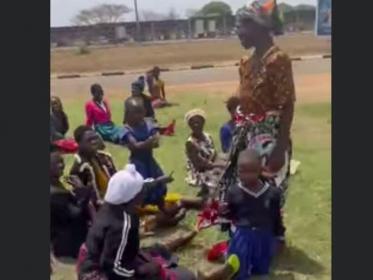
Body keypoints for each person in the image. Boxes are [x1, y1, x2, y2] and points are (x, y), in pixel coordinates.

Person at [220, 0, 295, 243]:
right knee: (244, 184)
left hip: (270, 136)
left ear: (260, 26)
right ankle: (246, 232)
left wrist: (281, 146)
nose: (238, 32)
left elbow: (287, 104)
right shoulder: (245, 63)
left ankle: (273, 234)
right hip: (246, 135)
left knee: (269, 185)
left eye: (242, 26)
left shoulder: (278, 60)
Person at [78, 164, 197, 280]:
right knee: (186, 277)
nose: (144, 193)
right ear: (133, 197)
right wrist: (139, 271)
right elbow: (111, 267)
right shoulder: (121, 225)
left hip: (103, 257)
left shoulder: (113, 203)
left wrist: (159, 181)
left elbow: (143, 186)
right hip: (101, 271)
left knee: (158, 251)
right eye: (141, 192)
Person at [200, 149, 282, 280]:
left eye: (251, 171)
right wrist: (224, 210)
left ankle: (257, 271)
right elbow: (231, 215)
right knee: (239, 269)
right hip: (243, 235)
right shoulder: (234, 191)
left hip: (264, 236)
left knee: (261, 270)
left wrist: (279, 235)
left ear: (260, 170)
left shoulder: (273, 193)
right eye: (241, 171)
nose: (245, 175)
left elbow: (276, 217)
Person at [50, 149, 92, 259]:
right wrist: (82, 191)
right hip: (67, 242)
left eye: (62, 162)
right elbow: (76, 215)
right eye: (56, 163)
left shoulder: (56, 183)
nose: (61, 165)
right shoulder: (53, 193)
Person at [70, 125, 117, 205]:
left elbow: (116, 179)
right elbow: (85, 198)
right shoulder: (79, 169)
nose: (94, 142)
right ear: (78, 144)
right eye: (89, 140)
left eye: (95, 138)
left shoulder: (105, 158)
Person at [185, 109, 226, 199]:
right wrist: (221, 165)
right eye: (193, 123)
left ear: (203, 122)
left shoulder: (208, 136)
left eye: (198, 122)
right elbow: (199, 165)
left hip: (211, 165)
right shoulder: (190, 143)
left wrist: (221, 162)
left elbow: (214, 153)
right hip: (199, 171)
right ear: (189, 125)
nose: (196, 125)